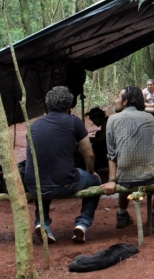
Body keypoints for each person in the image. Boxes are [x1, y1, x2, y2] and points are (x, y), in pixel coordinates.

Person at [25, 86, 102, 244]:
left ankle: (42, 223)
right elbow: (88, 153)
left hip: (34, 183)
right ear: (69, 106)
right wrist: (91, 172)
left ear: (48, 105)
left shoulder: (34, 125)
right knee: (95, 183)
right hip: (63, 182)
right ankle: (82, 223)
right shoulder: (73, 122)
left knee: (44, 182)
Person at [103, 86, 154, 228]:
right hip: (150, 173)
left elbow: (111, 153)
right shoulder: (149, 118)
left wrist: (112, 180)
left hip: (124, 177)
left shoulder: (112, 120)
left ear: (125, 101)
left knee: (125, 172)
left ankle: (122, 214)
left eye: (118, 97)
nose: (116, 100)